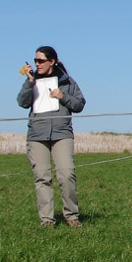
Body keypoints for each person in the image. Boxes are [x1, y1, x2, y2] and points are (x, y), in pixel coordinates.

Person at [17, 46, 86, 228]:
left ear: (52, 61)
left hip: (62, 134)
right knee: (42, 177)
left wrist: (63, 96)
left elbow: (80, 104)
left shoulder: (66, 81)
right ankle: (46, 220)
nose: (37, 64)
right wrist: (29, 82)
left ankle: (71, 216)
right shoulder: (33, 81)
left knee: (66, 174)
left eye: (41, 61)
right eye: (35, 61)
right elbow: (22, 103)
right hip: (37, 135)